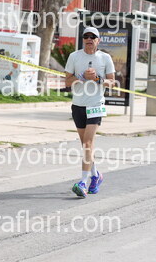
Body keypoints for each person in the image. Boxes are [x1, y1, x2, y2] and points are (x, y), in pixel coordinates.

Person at [65, 27, 116, 198]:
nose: (89, 39)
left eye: (92, 37)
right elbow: (67, 81)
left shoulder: (105, 58)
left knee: (88, 143)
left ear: (98, 40)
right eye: (86, 36)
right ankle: (96, 175)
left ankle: (83, 182)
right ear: (83, 39)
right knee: (86, 146)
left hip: (96, 105)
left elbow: (112, 82)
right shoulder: (74, 56)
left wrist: (96, 79)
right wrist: (81, 77)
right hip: (78, 105)